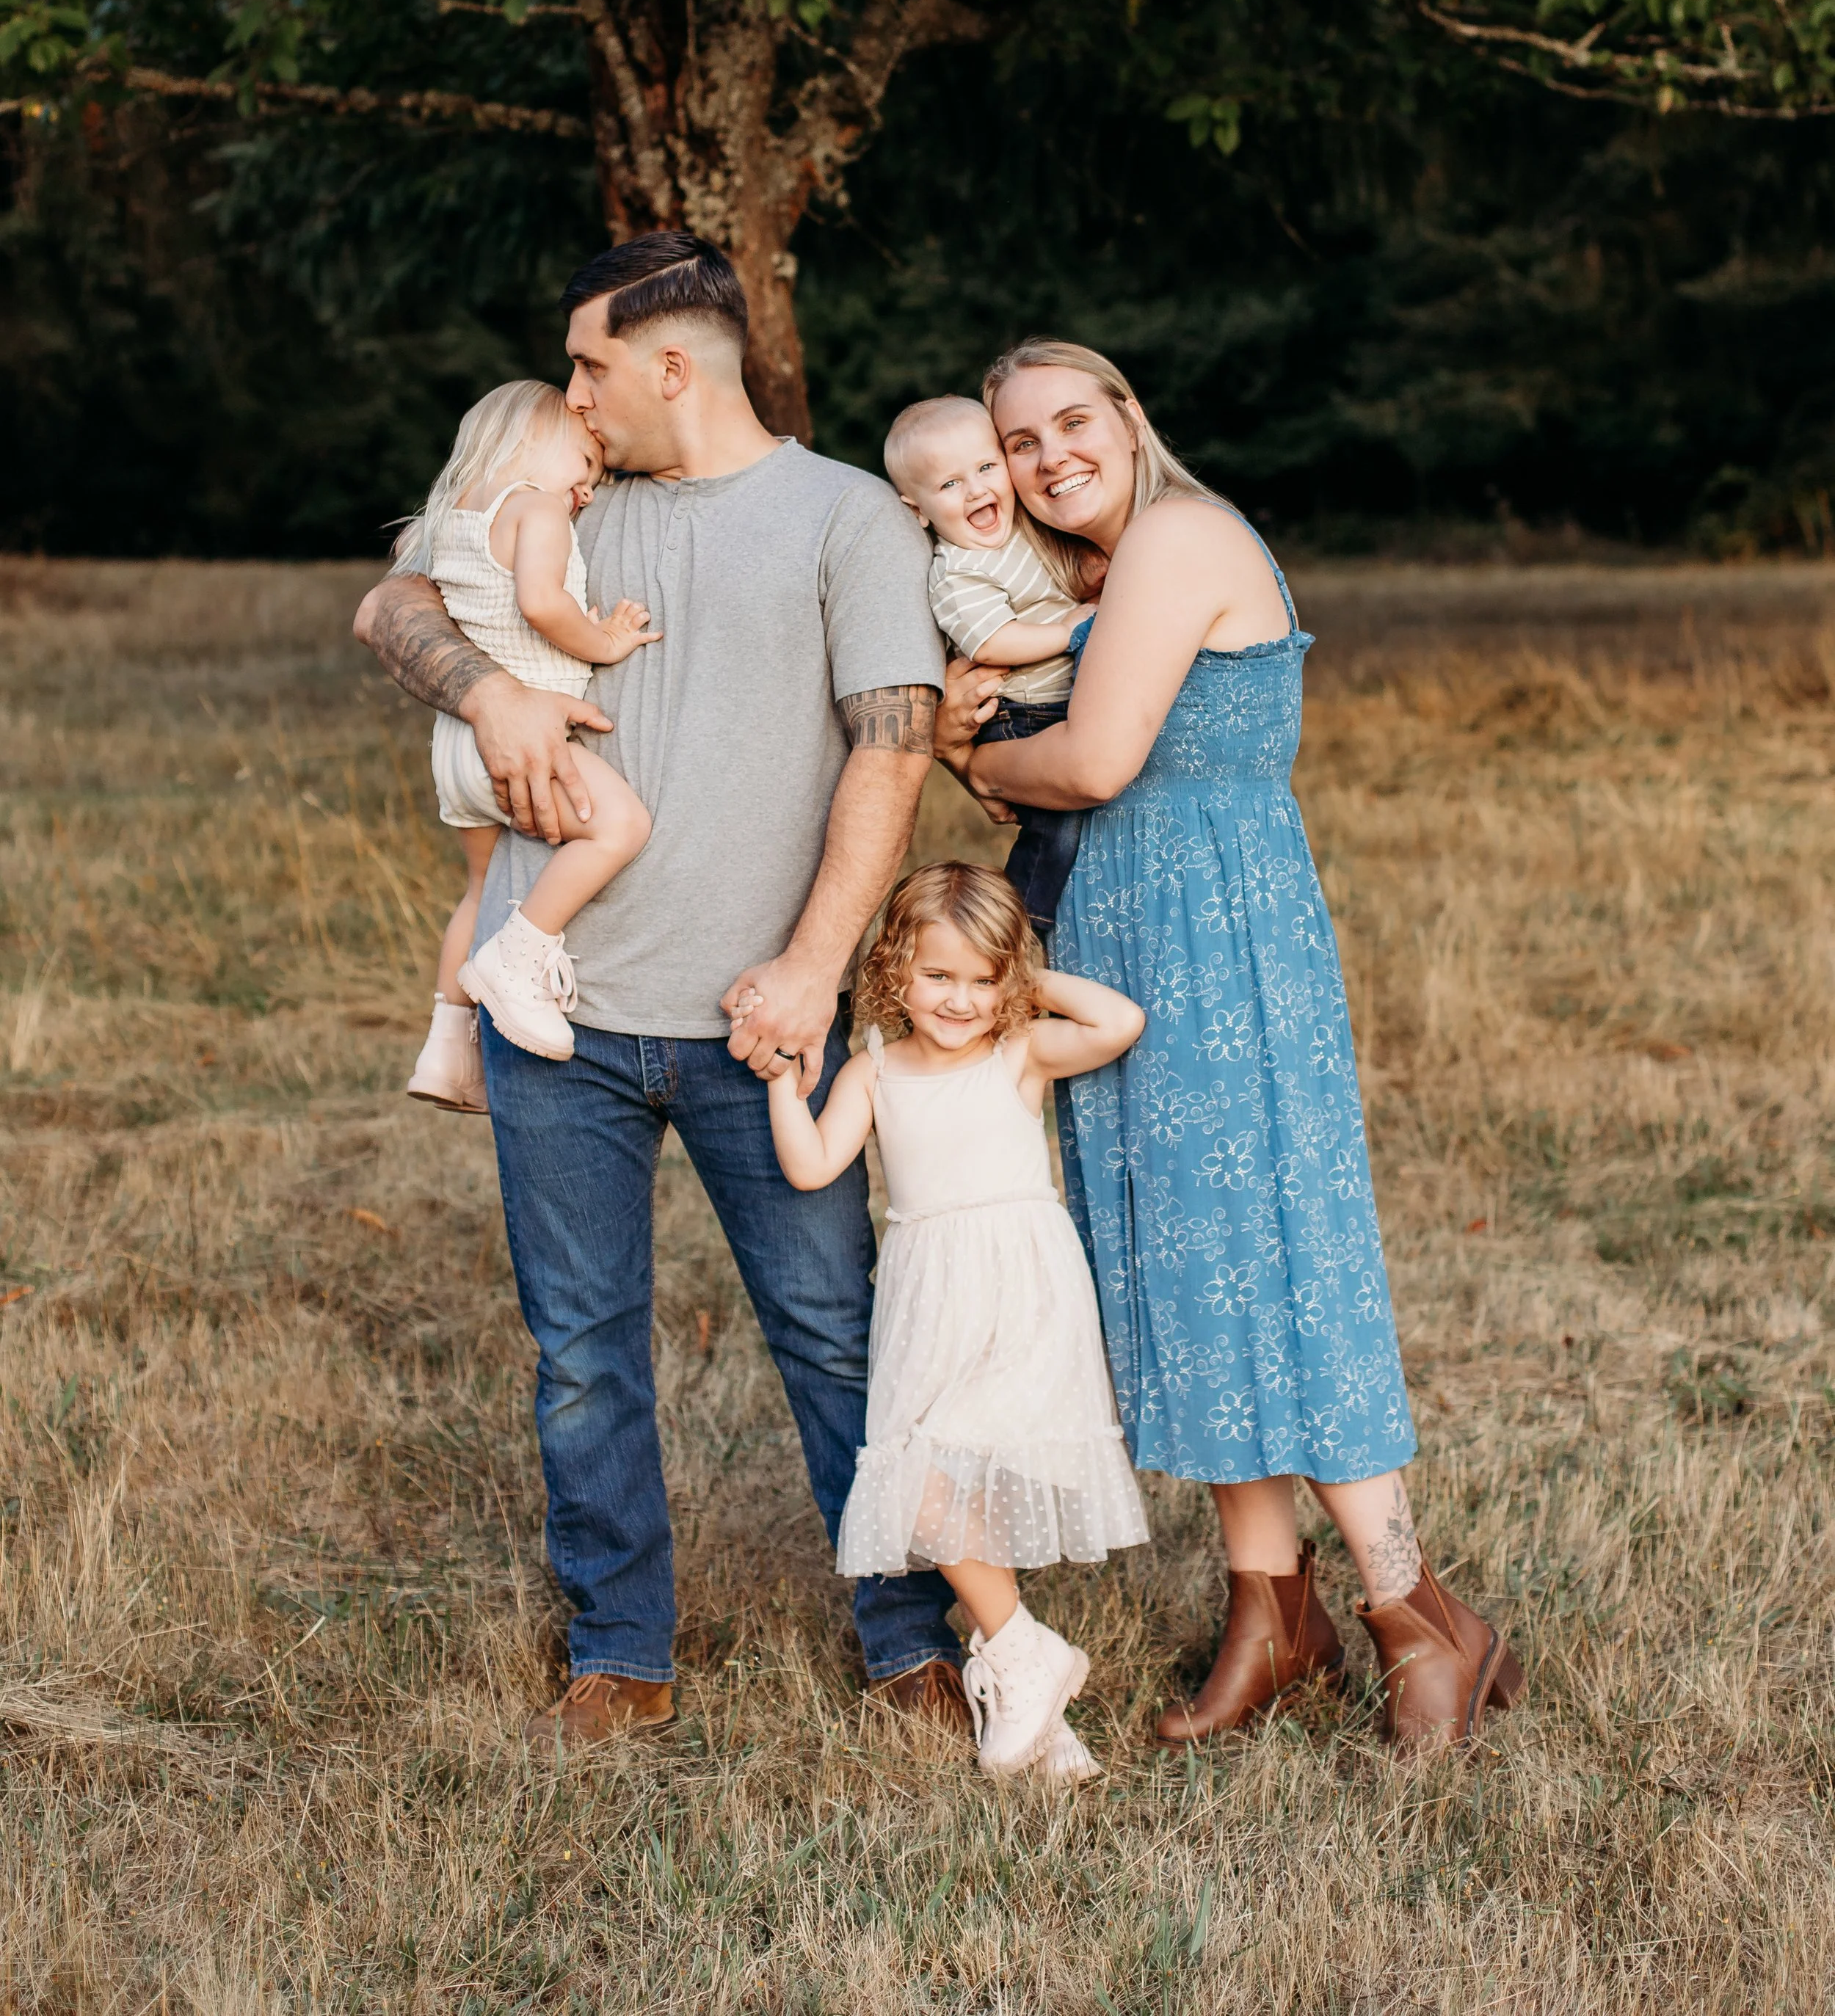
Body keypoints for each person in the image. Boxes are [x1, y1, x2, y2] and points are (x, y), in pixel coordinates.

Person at [352, 231, 969, 1749]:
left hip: (762, 1026)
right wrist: (491, 687)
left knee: (834, 1332)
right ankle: (620, 1651)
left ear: (671, 365)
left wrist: (814, 968)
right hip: (556, 1017)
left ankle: (908, 1638)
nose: (571, 395)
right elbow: (389, 608)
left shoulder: (847, 518)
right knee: (582, 1355)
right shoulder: (569, 503)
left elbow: (892, 752)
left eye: (590, 366)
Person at [935, 338, 1525, 1750]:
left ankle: (1418, 1614)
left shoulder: (1181, 535)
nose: (1047, 458)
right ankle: (1273, 1611)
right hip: (1124, 939)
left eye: (1071, 422)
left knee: (1282, 1264)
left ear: (1128, 418)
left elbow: (1091, 763)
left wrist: (970, 760)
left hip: (1223, 943)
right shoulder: (1089, 580)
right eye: (1017, 442)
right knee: (1190, 1274)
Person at [768, 861, 1148, 1783]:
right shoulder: (874, 1071)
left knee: (943, 1482)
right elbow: (812, 1165)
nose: (960, 1000)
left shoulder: (1016, 1053)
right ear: (894, 968)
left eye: (982, 981)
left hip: (1019, 1291)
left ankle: (1019, 1659)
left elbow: (1118, 1022)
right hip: (928, 1299)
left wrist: (1022, 978)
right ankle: (1031, 1685)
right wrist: (783, 1082)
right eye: (938, 975)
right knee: (937, 1492)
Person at [395, 379, 658, 1110]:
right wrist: (604, 641)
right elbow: (542, 604)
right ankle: (518, 959)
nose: (589, 488)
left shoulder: (446, 519)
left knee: (480, 888)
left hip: (458, 742)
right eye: (586, 463)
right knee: (621, 826)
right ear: (533, 440)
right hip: (522, 741)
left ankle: (447, 1048)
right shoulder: (536, 507)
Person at [884, 394, 1094, 929]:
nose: (976, 490)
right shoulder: (958, 572)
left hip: (1062, 700)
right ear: (917, 509)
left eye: (985, 468)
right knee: (1058, 824)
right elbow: (993, 643)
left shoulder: (1025, 530)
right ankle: (1026, 919)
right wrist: (1067, 631)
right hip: (1024, 715)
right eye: (950, 484)